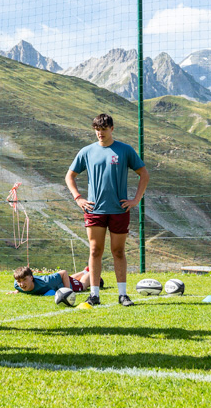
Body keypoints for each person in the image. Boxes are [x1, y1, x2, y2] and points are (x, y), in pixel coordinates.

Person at [65, 113, 149, 307]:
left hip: (119, 210)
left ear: (112, 129)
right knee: (95, 250)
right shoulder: (86, 151)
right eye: (97, 129)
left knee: (118, 251)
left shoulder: (125, 150)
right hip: (94, 210)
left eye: (103, 129)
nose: (100, 133)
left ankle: (123, 295)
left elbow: (143, 174)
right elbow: (70, 176)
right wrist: (78, 198)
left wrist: (136, 199)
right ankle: (94, 295)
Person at [8, 266, 99, 295]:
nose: (22, 284)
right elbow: (20, 285)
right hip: (58, 282)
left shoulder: (47, 282)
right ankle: (84, 271)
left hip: (65, 282)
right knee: (70, 278)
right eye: (19, 281)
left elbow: (63, 273)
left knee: (82, 286)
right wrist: (17, 291)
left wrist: (68, 291)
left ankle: (92, 271)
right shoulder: (17, 285)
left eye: (24, 280)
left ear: (31, 278)